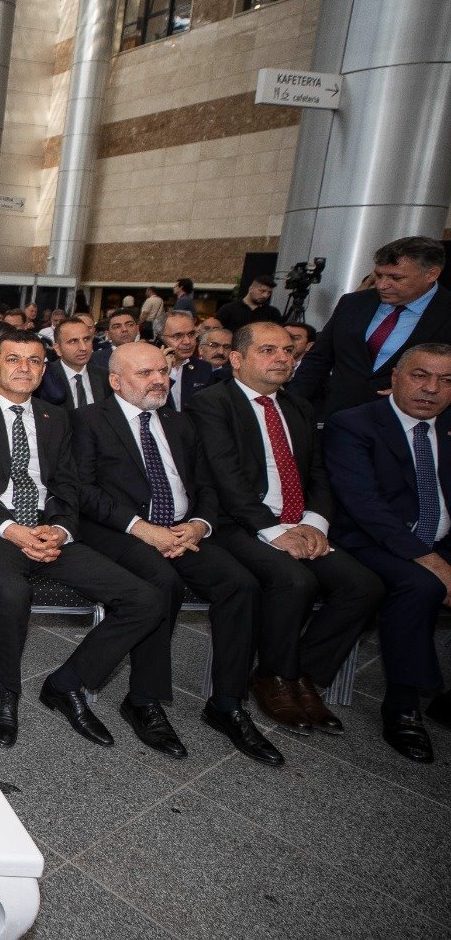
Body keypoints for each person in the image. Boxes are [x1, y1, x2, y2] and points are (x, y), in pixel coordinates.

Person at [0, 329, 168, 750]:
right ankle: (7, 690)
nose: (24, 368)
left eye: (34, 360)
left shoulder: (57, 418)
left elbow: (68, 484)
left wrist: (61, 529)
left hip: (50, 530)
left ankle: (67, 682)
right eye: (13, 359)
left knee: (145, 599)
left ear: (43, 369)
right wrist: (11, 529)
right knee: (12, 592)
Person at [73, 342, 279, 765]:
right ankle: (143, 700)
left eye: (162, 372)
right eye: (145, 373)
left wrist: (200, 524)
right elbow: (83, 490)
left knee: (241, 585)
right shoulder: (89, 420)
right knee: (161, 583)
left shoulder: (180, 423)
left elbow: (205, 485)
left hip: (183, 531)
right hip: (122, 531)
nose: (158, 381)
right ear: (116, 381)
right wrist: (142, 529)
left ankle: (227, 703)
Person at [187, 322, 385, 736]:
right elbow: (226, 479)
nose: (282, 358)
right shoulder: (211, 403)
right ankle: (275, 675)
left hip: (299, 519)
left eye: (288, 351)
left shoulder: (298, 406)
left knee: (363, 585)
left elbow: (317, 473)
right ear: (237, 359)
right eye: (268, 350)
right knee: (294, 580)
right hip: (238, 523)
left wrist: (315, 523)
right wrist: (274, 531)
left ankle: (302, 675)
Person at [324, 344, 451, 763]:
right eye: (420, 375)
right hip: (370, 541)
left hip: (441, 539)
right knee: (422, 585)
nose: (431, 389)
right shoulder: (354, 424)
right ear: (395, 377)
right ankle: (402, 704)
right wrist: (431, 561)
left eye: (446, 380)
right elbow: (365, 505)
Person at [291, 236, 451, 419]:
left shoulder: (446, 312)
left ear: (431, 274)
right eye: (379, 275)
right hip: (339, 417)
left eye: (396, 278)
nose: (382, 285)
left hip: (410, 422)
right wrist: (292, 408)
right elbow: (317, 360)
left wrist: (416, 391)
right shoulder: (352, 304)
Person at [38, 316, 108, 409]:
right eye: (73, 341)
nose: (83, 347)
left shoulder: (105, 377)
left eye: (86, 339)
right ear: (58, 348)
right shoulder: (43, 378)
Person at [159, 311, 214, 410]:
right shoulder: (146, 369)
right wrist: (163, 373)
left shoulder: (203, 368)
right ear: (160, 339)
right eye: (177, 336)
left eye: (191, 334)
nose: (187, 341)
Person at [215, 275, 281, 332]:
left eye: (269, 292)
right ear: (251, 288)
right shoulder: (228, 309)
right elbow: (215, 330)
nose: (265, 295)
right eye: (262, 291)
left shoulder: (273, 313)